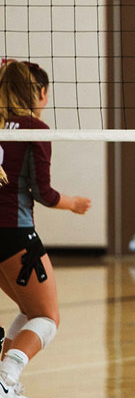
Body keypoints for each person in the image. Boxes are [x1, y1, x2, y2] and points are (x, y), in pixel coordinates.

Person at [0, 60, 92, 398]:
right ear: (40, 92)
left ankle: (2, 380)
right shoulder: (34, 128)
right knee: (48, 318)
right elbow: (45, 193)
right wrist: (74, 204)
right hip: (15, 234)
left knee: (30, 311)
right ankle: (5, 380)